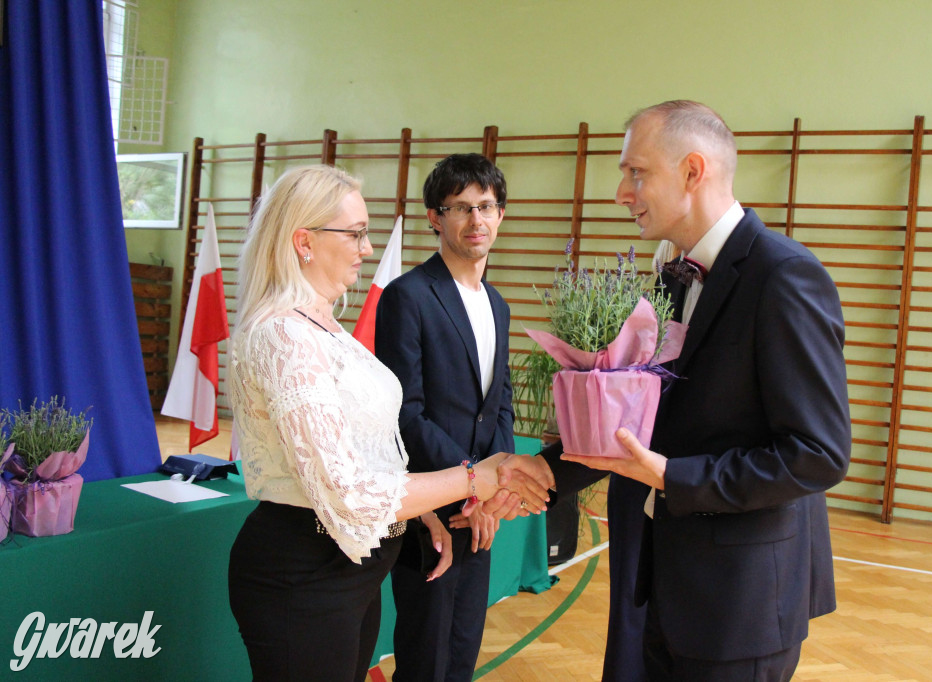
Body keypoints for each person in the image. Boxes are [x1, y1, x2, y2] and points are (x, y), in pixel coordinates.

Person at [492, 100, 852, 681]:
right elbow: (649, 417)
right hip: (657, 581)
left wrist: (673, 477)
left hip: (740, 599)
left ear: (692, 171)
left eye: (636, 173)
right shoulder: (671, 275)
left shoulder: (785, 276)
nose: (620, 191)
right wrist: (548, 471)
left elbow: (818, 455)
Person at [226, 164, 554, 682]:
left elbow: (363, 449)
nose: (367, 246)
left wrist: (419, 514)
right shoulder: (283, 335)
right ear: (304, 240)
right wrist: (477, 477)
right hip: (304, 572)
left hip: (350, 570)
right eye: (355, 233)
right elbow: (348, 490)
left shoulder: (322, 325)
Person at [374, 153, 515, 682]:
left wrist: (497, 489)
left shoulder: (497, 304)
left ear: (500, 214)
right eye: (461, 208)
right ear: (435, 217)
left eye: (486, 206)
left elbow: (500, 403)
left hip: (481, 511)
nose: (476, 220)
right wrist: (473, 485)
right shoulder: (407, 297)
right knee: (425, 657)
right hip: (431, 505)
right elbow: (404, 417)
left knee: (462, 654)